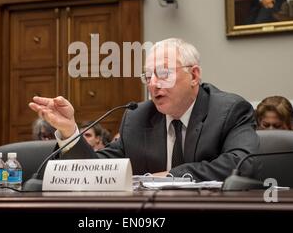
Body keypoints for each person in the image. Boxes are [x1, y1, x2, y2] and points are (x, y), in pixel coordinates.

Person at [29, 38, 259, 181]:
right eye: (148, 76)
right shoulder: (138, 117)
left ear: (194, 75)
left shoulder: (228, 110)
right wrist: (70, 131)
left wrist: (172, 177)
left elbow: (243, 163)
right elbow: (96, 170)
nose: (153, 84)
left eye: (163, 74)